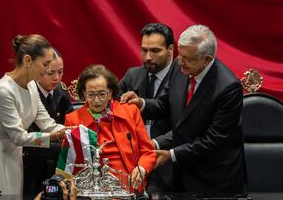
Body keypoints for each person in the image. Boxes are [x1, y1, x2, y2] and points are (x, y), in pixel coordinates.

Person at [128, 25, 246, 193]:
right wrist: (142, 103)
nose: (181, 62)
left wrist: (172, 154)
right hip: (181, 175)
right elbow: (166, 104)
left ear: (207, 59)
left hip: (214, 179)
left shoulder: (228, 88)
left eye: (188, 58)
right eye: (180, 55)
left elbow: (212, 140)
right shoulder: (181, 66)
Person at [0, 34, 69, 197]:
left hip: (14, 158)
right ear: (28, 61)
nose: (49, 70)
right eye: (45, 64)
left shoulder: (33, 86)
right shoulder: (3, 90)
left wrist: (73, 131)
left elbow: (47, 123)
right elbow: (18, 136)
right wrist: (53, 137)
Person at [65, 64, 156, 190]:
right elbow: (70, 164)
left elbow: (148, 152)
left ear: (110, 93)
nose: (96, 100)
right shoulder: (73, 120)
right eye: (90, 94)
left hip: (129, 186)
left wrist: (141, 169)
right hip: (92, 189)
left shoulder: (130, 112)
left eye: (102, 94)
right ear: (83, 94)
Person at [119, 23, 175, 193]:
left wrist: (154, 144)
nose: (148, 57)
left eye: (155, 51)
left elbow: (186, 126)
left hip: (168, 163)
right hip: (133, 163)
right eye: (144, 50)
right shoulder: (132, 75)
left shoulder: (184, 77)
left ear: (170, 49)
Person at [24, 48, 73, 194]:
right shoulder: (28, 91)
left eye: (61, 71)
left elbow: (67, 124)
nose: (57, 78)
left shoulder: (62, 93)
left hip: (54, 162)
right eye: (51, 73)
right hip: (31, 156)